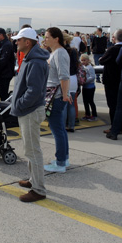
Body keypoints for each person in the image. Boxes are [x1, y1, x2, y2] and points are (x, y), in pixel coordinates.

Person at [10, 28, 50, 202]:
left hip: (30, 110)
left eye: (18, 40)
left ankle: (39, 190)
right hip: (28, 109)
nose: (16, 42)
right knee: (30, 148)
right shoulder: (31, 58)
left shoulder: (35, 62)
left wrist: (18, 104)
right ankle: (33, 180)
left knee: (33, 150)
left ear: (28, 42)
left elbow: (33, 91)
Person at [43, 27, 71, 172]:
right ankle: (64, 159)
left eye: (47, 37)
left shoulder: (59, 53)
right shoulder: (55, 52)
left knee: (57, 130)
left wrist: (65, 95)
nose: (45, 39)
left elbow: (64, 76)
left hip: (56, 96)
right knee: (59, 129)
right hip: (56, 95)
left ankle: (60, 163)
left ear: (56, 38)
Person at [100, 29, 122, 134]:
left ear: (114, 38)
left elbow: (102, 60)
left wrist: (102, 58)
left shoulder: (112, 49)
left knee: (113, 105)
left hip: (111, 81)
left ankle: (115, 127)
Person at [0, 28, 15, 101]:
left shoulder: (6, 45)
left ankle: (5, 109)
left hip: (5, 74)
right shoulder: (1, 44)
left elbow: (3, 61)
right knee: (1, 93)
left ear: (1, 35)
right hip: (2, 73)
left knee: (3, 94)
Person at [80, 53, 97, 120]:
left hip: (90, 87)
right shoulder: (83, 67)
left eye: (84, 60)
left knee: (90, 101)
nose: (83, 62)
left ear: (88, 60)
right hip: (85, 87)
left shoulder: (90, 68)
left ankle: (94, 115)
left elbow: (92, 77)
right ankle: (87, 114)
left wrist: (85, 80)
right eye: (82, 60)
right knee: (85, 101)